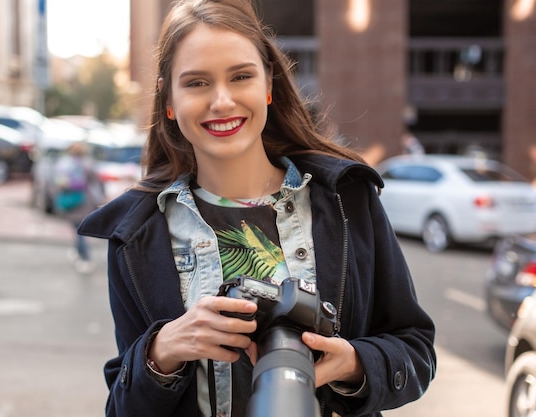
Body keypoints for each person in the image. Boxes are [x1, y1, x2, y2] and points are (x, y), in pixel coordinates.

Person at [78, 0, 436, 416]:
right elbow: (122, 408)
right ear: (169, 102)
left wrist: (354, 366)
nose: (222, 101)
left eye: (241, 76)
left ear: (268, 84)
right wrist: (162, 351)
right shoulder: (136, 234)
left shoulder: (347, 200)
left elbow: (415, 349)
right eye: (196, 83)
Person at [53, 140, 104, 274]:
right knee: (79, 229)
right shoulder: (88, 164)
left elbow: (58, 182)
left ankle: (84, 257)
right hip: (85, 200)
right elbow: (96, 183)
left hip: (71, 200)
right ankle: (80, 254)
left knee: (77, 229)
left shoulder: (65, 164)